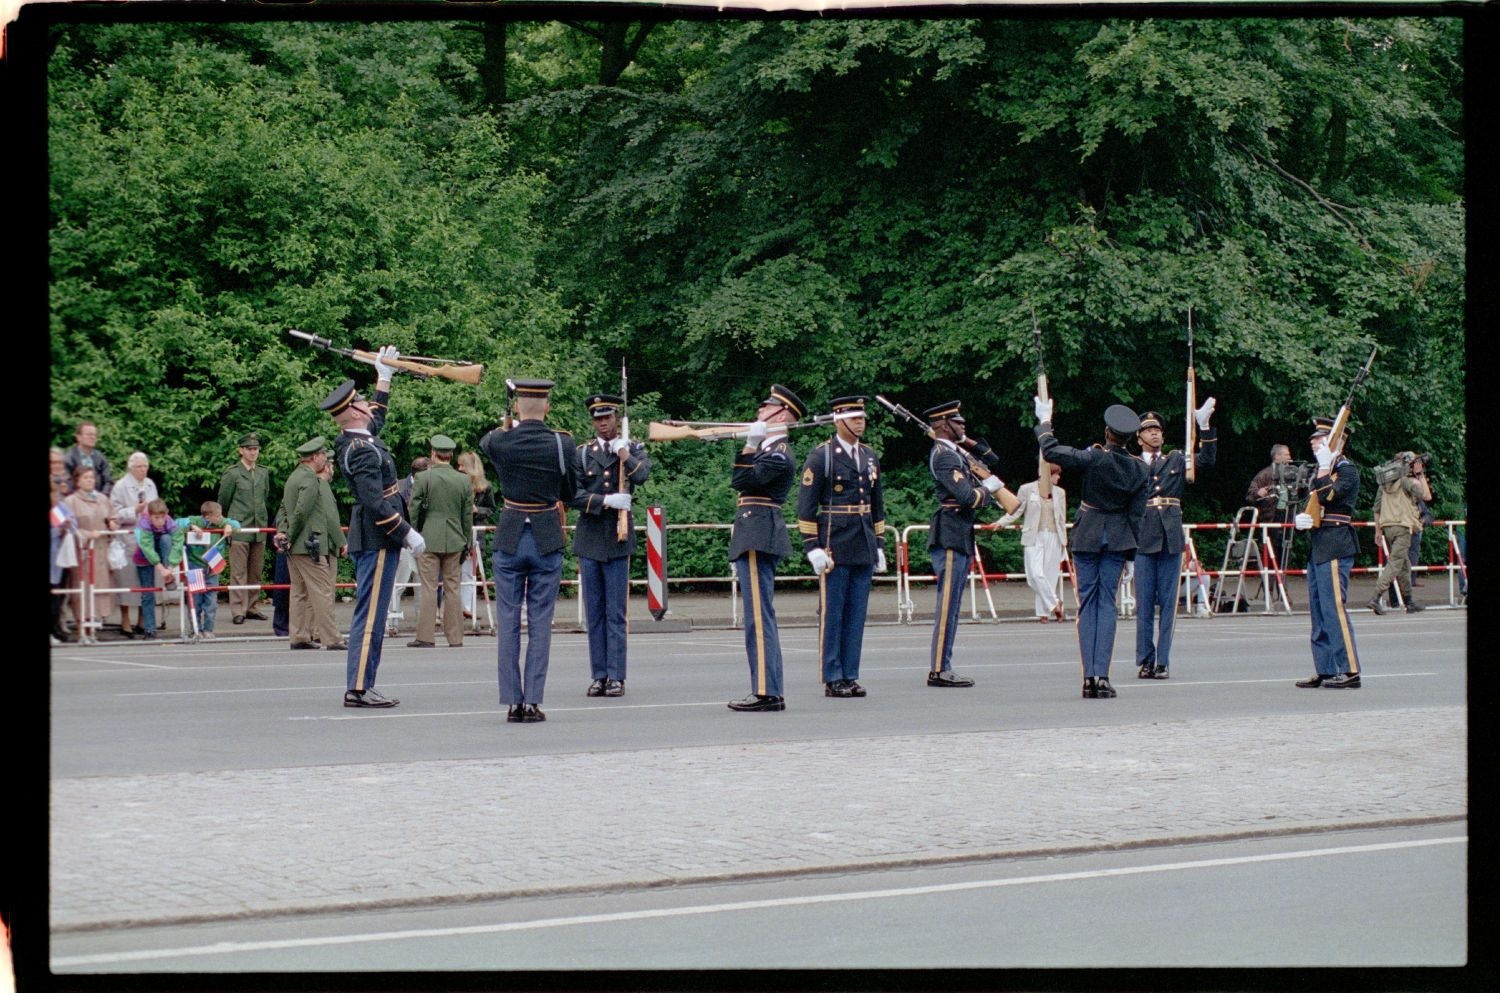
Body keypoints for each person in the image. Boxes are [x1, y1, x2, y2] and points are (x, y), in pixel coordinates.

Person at [323, 346, 425, 708]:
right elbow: (374, 502)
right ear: (353, 411)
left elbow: (376, 417)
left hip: (379, 536)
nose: (370, 404)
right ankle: (359, 687)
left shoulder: (359, 438)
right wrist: (405, 532)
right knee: (371, 618)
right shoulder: (361, 450)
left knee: (374, 614)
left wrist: (385, 377)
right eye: (364, 401)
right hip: (379, 537)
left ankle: (362, 684)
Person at [1034, 398, 1150, 699]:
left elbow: (1051, 451)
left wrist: (1045, 422)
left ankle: (1088, 677)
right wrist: (1132, 555)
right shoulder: (1139, 469)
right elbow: (1137, 516)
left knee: (1087, 605)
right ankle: (1102, 676)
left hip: (1087, 536)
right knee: (1106, 605)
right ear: (1129, 437)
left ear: (1107, 432)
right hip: (1118, 538)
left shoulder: (1094, 457)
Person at [479, 379, 578, 723]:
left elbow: (485, 441)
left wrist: (507, 426)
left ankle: (511, 701)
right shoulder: (562, 443)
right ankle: (532, 701)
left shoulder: (501, 441)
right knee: (539, 623)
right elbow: (569, 490)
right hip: (546, 535)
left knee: (508, 621)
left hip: (509, 535)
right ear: (548, 407)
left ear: (519, 409)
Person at [923, 399, 1020, 689]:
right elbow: (967, 497)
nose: (964, 424)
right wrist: (989, 488)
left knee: (953, 605)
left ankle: (944, 665)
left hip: (960, 531)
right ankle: (939, 668)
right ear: (942, 425)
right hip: (951, 530)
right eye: (957, 422)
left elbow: (992, 459)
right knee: (948, 605)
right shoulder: (944, 456)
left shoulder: (957, 452)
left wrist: (965, 440)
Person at [796, 395, 885, 698]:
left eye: (862, 417)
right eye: (855, 417)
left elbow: (877, 504)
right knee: (832, 612)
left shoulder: (869, 455)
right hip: (834, 542)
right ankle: (832, 675)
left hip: (863, 540)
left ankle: (850, 672)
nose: (861, 422)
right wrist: (812, 547)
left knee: (856, 613)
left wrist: (880, 544)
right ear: (839, 420)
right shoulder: (823, 456)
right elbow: (805, 507)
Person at [725, 384, 805, 711]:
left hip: (758, 532)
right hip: (754, 529)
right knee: (759, 616)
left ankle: (766, 691)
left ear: (782, 414)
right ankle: (768, 688)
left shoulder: (778, 453)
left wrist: (748, 444)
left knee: (759, 617)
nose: (759, 412)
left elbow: (741, 481)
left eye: (766, 408)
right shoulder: (769, 450)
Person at [568, 393, 651, 697]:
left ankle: (617, 675)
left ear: (617, 419)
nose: (603, 424)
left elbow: (643, 475)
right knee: (595, 612)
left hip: (619, 538)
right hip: (590, 538)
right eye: (597, 419)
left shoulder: (632, 449)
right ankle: (599, 674)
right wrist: (605, 501)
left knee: (616, 612)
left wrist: (625, 455)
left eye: (608, 418)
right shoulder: (581, 454)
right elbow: (573, 496)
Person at [1130, 401, 1217, 680]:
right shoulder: (1130, 463)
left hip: (1170, 536)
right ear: (1138, 436)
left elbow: (1206, 460)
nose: (1154, 434)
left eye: (1158, 430)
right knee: (1144, 603)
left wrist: (1203, 427)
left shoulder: (1176, 459)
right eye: (1148, 430)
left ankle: (1163, 660)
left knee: (1169, 603)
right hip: (1143, 537)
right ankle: (1145, 658)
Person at [1292, 417, 1363, 689]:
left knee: (1334, 609)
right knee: (1319, 611)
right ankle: (1325, 668)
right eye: (1313, 440)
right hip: (1319, 544)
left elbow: (1329, 496)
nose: (1313, 443)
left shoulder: (1347, 470)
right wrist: (1302, 520)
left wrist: (1323, 468)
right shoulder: (1321, 470)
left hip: (1336, 543)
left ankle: (1350, 670)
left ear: (1338, 441)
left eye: (1320, 439)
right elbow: (1311, 501)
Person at [408, 435, 474, 649]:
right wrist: (467, 541)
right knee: (453, 588)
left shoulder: (423, 478)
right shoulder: (463, 479)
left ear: (433, 454)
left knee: (428, 587)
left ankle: (426, 636)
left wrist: (414, 533)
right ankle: (455, 637)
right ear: (451, 455)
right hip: (455, 538)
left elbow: (414, 509)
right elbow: (467, 515)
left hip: (428, 537)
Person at [283, 437, 349, 651]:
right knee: (323, 591)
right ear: (314, 457)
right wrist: (291, 535)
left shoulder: (294, 478)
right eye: (323, 455)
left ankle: (299, 635)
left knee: (299, 592)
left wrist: (285, 535)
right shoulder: (311, 480)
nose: (325, 459)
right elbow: (302, 512)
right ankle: (332, 637)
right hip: (311, 544)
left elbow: (285, 510)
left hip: (297, 546)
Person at [997, 462, 1069, 623]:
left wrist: (1064, 541)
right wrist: (1002, 522)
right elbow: (1016, 510)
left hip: (1054, 536)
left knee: (1049, 576)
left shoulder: (1060, 492)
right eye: (1056, 474)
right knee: (1034, 575)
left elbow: (1062, 518)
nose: (1059, 477)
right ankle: (1055, 603)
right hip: (1033, 535)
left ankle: (1044, 613)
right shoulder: (1027, 489)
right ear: (1048, 476)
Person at [217, 432, 273, 626]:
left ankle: (252, 607)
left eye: (255, 449)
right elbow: (223, 501)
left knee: (255, 572)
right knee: (239, 572)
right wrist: (225, 522)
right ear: (240, 450)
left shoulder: (263, 472)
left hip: (259, 526)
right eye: (249, 449)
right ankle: (238, 609)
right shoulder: (232, 473)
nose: (253, 452)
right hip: (239, 527)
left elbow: (264, 496)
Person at [1368, 450, 1431, 614]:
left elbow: (1376, 508)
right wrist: (1419, 476)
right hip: (1403, 527)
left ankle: (1409, 602)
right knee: (1396, 563)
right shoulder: (1406, 482)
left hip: (1388, 527)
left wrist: (1377, 531)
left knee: (1404, 565)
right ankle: (1375, 597)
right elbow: (1424, 495)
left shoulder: (1383, 484)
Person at [63, 465, 116, 640]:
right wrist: (87, 535)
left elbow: (113, 516)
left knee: (99, 590)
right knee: (81, 590)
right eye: (86, 478)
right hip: (81, 551)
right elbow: (68, 526)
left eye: (92, 478)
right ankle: (81, 628)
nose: (90, 481)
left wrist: (113, 524)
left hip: (101, 551)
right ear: (77, 481)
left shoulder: (102, 498)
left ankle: (93, 627)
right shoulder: (71, 501)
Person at [109, 451, 159, 637]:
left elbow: (156, 508)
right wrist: (133, 510)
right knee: (127, 580)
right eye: (139, 466)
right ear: (131, 467)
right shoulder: (120, 486)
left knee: (145, 581)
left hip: (147, 537)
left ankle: (142, 620)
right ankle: (125, 621)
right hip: (128, 539)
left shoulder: (150, 484)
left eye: (145, 466)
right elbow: (113, 513)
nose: (143, 470)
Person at [175, 501, 239, 640]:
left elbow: (237, 525)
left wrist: (229, 525)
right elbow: (177, 523)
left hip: (213, 567)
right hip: (195, 566)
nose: (221, 518)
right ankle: (195, 629)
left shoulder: (222, 522)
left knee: (211, 601)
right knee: (196, 600)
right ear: (208, 516)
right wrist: (191, 526)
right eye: (218, 515)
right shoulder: (195, 520)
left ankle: (208, 629)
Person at [386, 455, 431, 635]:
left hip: (425, 541)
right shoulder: (398, 486)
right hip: (404, 541)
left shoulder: (433, 486)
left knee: (423, 584)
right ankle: (392, 622)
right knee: (398, 584)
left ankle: (424, 623)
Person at [133, 498, 186, 640]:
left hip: (163, 550)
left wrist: (170, 566)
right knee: (147, 593)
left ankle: (169, 577)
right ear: (150, 516)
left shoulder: (170, 522)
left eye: (162, 517)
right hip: (144, 555)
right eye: (156, 518)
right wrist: (159, 567)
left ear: (166, 514)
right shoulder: (144, 524)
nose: (160, 521)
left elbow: (178, 541)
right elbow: (147, 548)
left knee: (166, 539)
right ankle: (149, 629)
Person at [456, 450, 497, 619]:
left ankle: (467, 607)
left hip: (475, 532)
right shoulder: (456, 483)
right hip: (457, 531)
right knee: (453, 570)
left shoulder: (485, 488)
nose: (458, 468)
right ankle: (456, 607)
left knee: (469, 570)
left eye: (462, 465)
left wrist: (477, 510)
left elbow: (492, 510)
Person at [51, 475, 79, 643]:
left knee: (58, 598)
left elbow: (73, 524)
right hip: (53, 557)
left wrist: (68, 527)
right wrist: (58, 531)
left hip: (61, 560)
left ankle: (55, 629)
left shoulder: (60, 507)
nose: (57, 497)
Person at [64, 421, 113, 496]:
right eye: (89, 435)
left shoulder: (100, 457)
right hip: (77, 501)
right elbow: (67, 483)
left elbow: (108, 481)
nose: (93, 437)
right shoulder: (69, 458)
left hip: (99, 500)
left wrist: (102, 497)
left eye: (94, 435)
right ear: (78, 437)